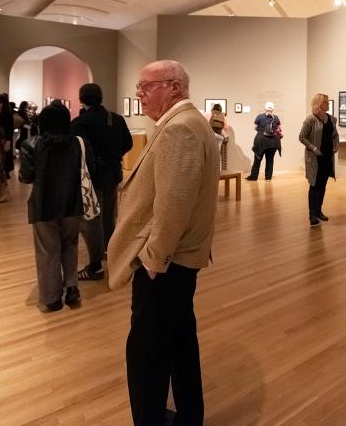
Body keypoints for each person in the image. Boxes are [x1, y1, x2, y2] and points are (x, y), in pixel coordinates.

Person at [107, 60, 218, 425]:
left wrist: (154, 260)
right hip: (178, 260)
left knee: (148, 352)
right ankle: (188, 415)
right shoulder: (184, 123)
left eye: (146, 86)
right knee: (179, 342)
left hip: (166, 263)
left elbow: (174, 202)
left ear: (174, 87)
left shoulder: (179, 129)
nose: (138, 93)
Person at [19, 102, 90, 312]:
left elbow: (26, 176)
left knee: (47, 250)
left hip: (43, 204)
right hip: (73, 202)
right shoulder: (79, 143)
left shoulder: (31, 144)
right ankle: (72, 287)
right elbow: (90, 170)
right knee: (70, 244)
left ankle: (52, 298)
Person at [71, 83, 133, 281]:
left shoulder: (80, 122)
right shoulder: (116, 119)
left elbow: (77, 151)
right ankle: (111, 251)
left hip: (93, 175)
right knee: (108, 214)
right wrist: (113, 157)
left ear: (81, 99)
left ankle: (95, 264)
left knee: (92, 218)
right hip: (113, 172)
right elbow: (128, 143)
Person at [299, 93, 340, 227]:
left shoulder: (332, 119)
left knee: (322, 185)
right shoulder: (310, 119)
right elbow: (302, 137)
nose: (328, 104)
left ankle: (318, 211)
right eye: (326, 102)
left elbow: (335, 135)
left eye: (328, 102)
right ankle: (312, 215)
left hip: (327, 157)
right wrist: (313, 148)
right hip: (315, 158)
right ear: (319, 104)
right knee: (314, 185)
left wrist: (336, 145)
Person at [246, 102, 281, 181]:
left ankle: (254, 177)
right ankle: (268, 178)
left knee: (257, 159)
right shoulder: (276, 118)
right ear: (273, 109)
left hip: (261, 141)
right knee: (270, 160)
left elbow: (255, 127)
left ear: (265, 108)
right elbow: (279, 129)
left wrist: (261, 130)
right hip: (273, 142)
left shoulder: (260, 116)